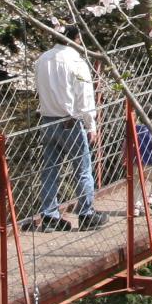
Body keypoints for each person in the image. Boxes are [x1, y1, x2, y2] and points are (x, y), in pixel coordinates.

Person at [30, 42, 106, 231]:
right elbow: (85, 95)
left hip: (47, 121)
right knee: (82, 169)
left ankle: (49, 217)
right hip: (70, 122)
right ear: (77, 39)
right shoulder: (76, 61)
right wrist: (91, 125)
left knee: (50, 170)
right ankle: (86, 214)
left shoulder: (42, 59)